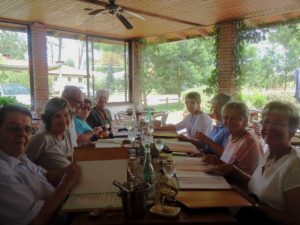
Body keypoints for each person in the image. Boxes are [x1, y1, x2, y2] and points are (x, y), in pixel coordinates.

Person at [205, 101, 300, 225]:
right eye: (266, 121)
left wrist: (252, 202)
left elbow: (295, 220)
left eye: (278, 123)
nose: (270, 127)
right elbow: (259, 186)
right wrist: (233, 170)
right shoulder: (270, 154)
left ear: (292, 131)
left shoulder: (295, 165)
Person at [0, 105, 81, 225]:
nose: (22, 134)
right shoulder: (3, 173)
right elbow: (36, 220)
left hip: (65, 208)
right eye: (13, 128)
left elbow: (45, 175)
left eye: (27, 129)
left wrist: (72, 170)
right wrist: (67, 183)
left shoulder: (20, 157)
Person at [203, 101, 263, 175]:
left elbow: (234, 171)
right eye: (226, 117)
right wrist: (216, 161)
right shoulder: (231, 136)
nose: (228, 121)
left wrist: (217, 163)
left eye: (234, 118)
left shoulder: (248, 141)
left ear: (245, 120)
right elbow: (229, 166)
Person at [26, 98, 74, 170]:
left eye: (66, 115)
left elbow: (66, 157)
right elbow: (22, 163)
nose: (63, 120)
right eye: (57, 116)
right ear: (48, 119)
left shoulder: (66, 132)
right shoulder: (42, 139)